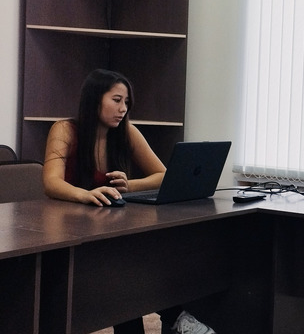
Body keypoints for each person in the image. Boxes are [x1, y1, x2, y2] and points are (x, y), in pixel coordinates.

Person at [43, 69, 215, 334]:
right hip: (68, 233)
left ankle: (175, 316)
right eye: (116, 100)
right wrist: (84, 194)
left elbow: (163, 175)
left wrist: (130, 186)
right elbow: (51, 182)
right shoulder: (65, 129)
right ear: (94, 98)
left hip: (105, 229)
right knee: (125, 271)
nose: (123, 109)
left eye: (126, 102)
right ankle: (176, 316)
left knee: (132, 265)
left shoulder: (126, 132)